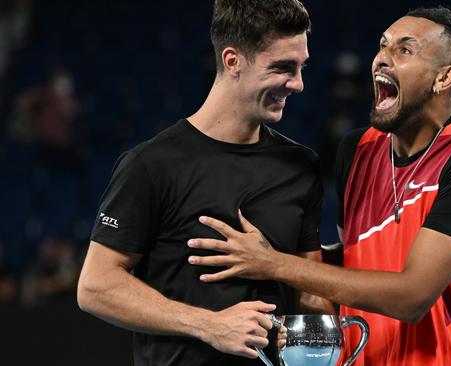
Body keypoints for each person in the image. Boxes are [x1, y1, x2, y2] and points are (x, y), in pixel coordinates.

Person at [188, 6, 451, 365]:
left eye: (404, 50)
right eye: (382, 46)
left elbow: (412, 297)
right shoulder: (357, 151)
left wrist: (272, 262)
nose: (381, 60)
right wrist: (288, 245)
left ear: (444, 78)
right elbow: (349, 264)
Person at [77, 1, 332, 365]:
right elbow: (96, 287)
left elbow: (308, 291)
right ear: (233, 61)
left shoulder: (301, 167)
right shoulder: (150, 165)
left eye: (301, 67)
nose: (298, 84)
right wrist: (210, 325)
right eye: (282, 68)